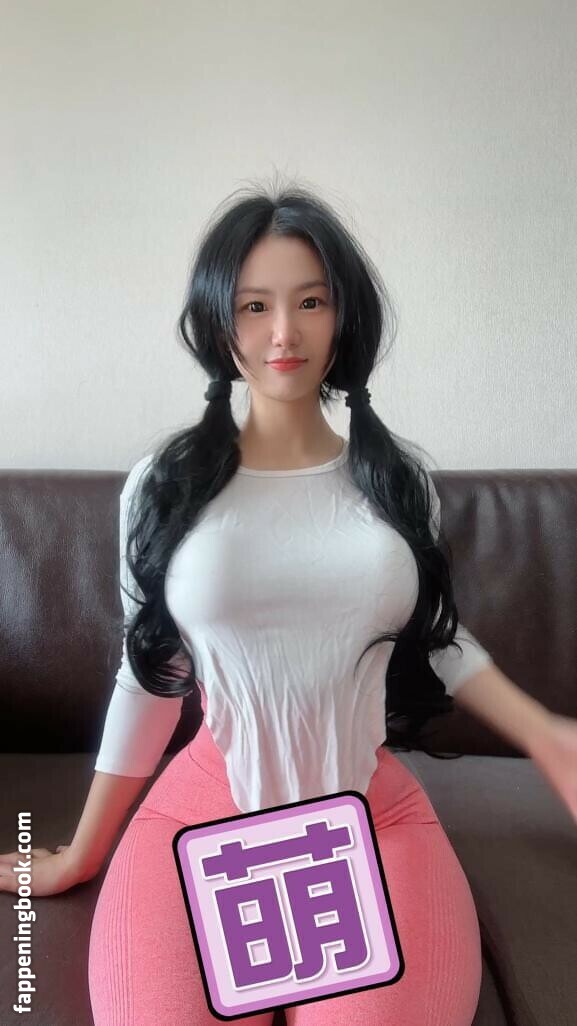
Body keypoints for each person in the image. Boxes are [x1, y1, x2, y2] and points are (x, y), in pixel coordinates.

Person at [2, 178, 576, 1026]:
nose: (283, 333)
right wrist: (81, 853)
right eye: (253, 306)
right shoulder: (164, 487)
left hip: (369, 817)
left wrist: (544, 733)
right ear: (218, 323)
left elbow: (435, 635)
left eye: (310, 302)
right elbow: (149, 672)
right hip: (199, 814)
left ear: (342, 317)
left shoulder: (399, 482)